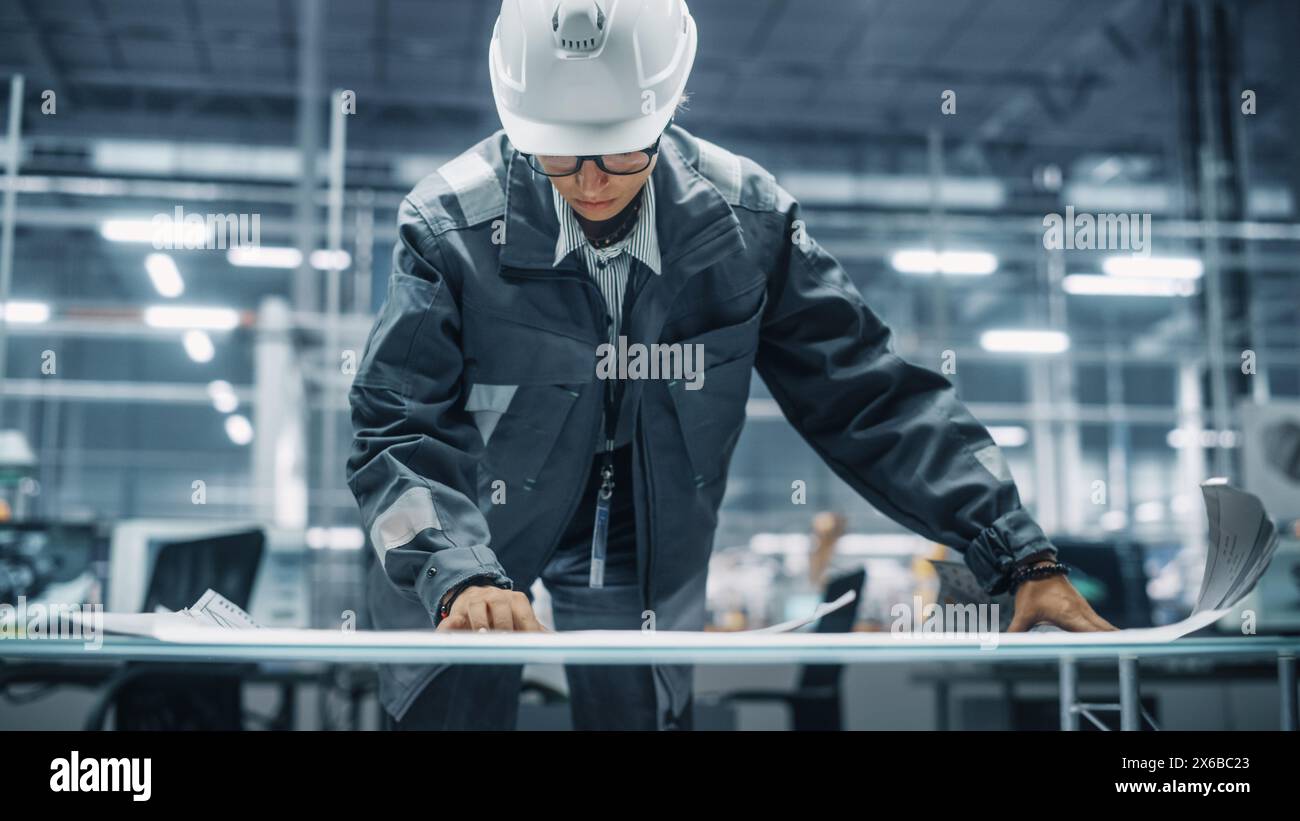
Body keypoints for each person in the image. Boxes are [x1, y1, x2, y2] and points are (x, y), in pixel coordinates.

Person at [346, 0, 1115, 732]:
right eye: (557, 150)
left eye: (619, 147)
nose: (589, 180)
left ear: (668, 106)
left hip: (642, 535)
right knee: (453, 698)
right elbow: (395, 426)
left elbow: (869, 394)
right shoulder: (449, 225)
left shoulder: (746, 222)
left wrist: (1019, 553)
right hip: (471, 513)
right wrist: (456, 568)